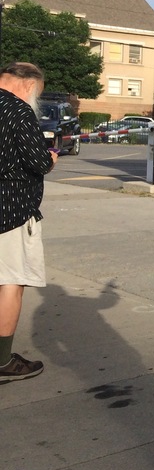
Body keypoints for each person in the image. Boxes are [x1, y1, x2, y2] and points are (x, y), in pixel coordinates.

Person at [0, 62, 56, 383]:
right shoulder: (20, 113)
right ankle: (3, 360)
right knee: (9, 282)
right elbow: (37, 161)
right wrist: (50, 158)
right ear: (30, 86)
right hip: (10, 212)